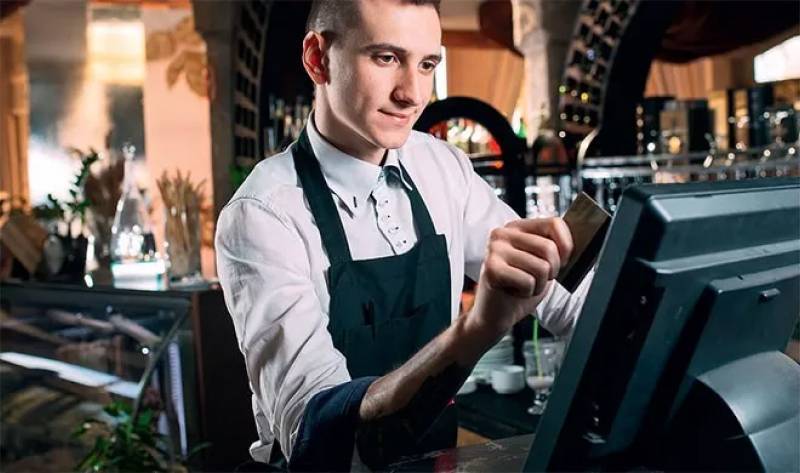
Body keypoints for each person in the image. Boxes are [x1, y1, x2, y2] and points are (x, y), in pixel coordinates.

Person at [215, 0, 592, 470]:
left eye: (427, 64)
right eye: (386, 58)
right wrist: (477, 329)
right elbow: (319, 433)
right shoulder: (264, 215)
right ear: (317, 59)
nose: (412, 94)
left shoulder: (442, 168)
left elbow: (567, 301)